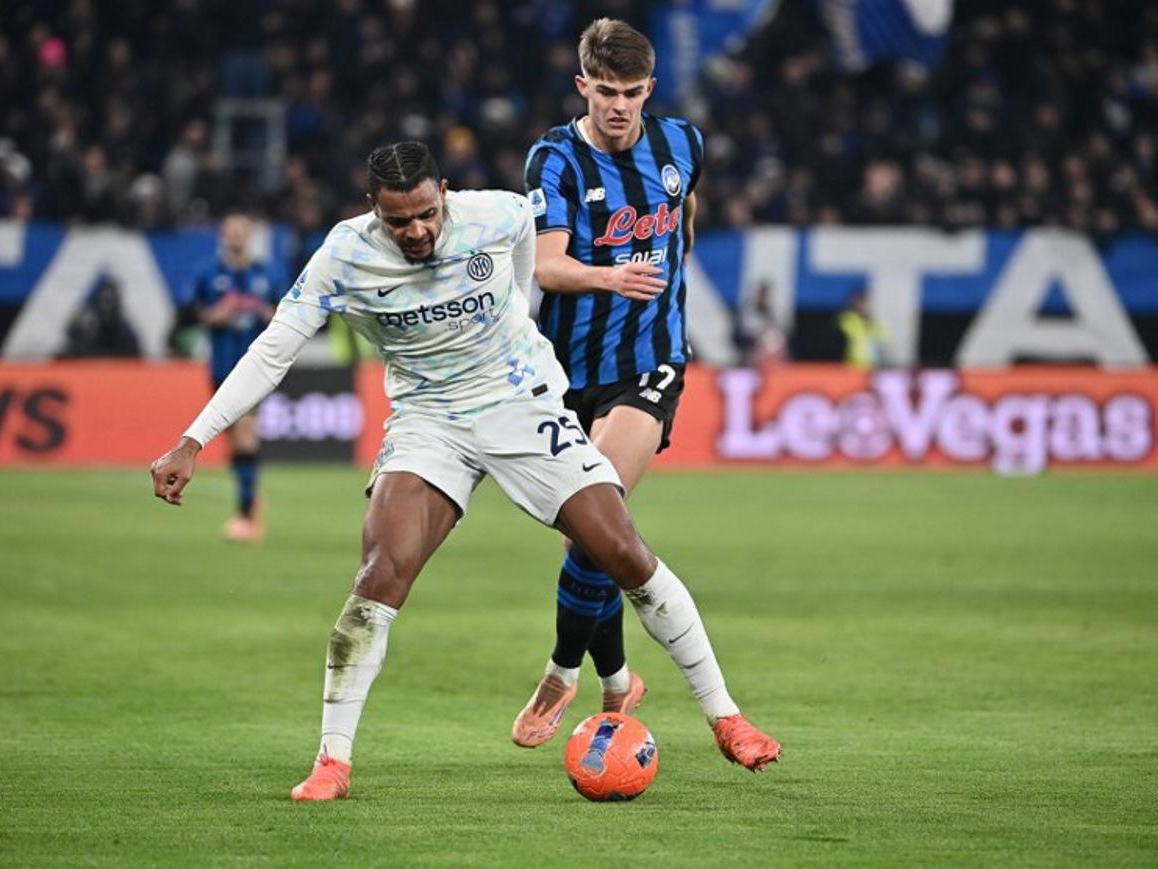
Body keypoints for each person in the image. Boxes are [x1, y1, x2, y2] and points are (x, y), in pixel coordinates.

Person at [150, 141, 780, 802]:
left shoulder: (499, 214)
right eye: (400, 222)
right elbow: (273, 349)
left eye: (426, 213)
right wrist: (194, 439)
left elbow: (523, 270)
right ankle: (333, 761)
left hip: (518, 401)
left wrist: (513, 332)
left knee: (620, 548)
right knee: (379, 573)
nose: (417, 230)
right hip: (428, 419)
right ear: (373, 210)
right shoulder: (343, 256)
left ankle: (726, 717)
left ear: (444, 192)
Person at [511, 18, 700, 747]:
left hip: (652, 362)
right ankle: (619, 680)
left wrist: (672, 263)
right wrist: (609, 276)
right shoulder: (554, 159)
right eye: (606, 92)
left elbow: (683, 215)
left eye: (632, 93)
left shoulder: (683, 143)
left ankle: (562, 670)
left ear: (649, 89)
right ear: (582, 86)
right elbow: (546, 265)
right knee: (591, 539)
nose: (619, 107)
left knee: (601, 515)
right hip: (569, 374)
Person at [187, 213, 280, 541]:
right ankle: (250, 494)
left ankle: (246, 515)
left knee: (244, 436)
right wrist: (216, 315)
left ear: (250, 236)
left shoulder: (267, 273)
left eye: (242, 231)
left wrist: (263, 313)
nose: (236, 237)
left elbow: (283, 315)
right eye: (231, 232)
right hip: (220, 367)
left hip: (255, 368)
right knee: (233, 441)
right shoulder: (208, 273)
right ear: (223, 236)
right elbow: (191, 315)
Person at [837, 288, 889, 371]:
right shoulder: (847, 319)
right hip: (853, 364)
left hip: (874, 366)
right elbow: (854, 333)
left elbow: (884, 338)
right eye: (860, 302)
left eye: (865, 303)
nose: (863, 305)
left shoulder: (878, 321)